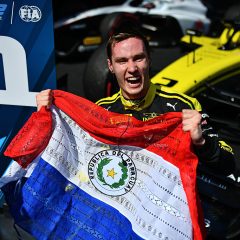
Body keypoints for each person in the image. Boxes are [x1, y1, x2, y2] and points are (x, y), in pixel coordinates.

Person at [36, 30, 235, 174]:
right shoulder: (101, 111)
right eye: (122, 61)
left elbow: (228, 165)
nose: (132, 68)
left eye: (138, 58)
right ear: (110, 66)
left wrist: (201, 142)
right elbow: (73, 161)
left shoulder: (184, 106)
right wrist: (49, 119)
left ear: (149, 60)